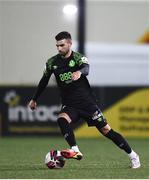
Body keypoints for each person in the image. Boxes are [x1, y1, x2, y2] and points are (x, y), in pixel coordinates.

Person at [28, 31, 141, 169]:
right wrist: (34, 99)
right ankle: (75, 149)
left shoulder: (78, 58)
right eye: (57, 46)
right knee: (62, 119)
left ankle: (133, 156)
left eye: (62, 45)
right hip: (70, 104)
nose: (59, 48)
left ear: (69, 44)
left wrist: (79, 72)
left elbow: (86, 68)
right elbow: (44, 81)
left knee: (107, 131)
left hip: (87, 103)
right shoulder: (52, 62)